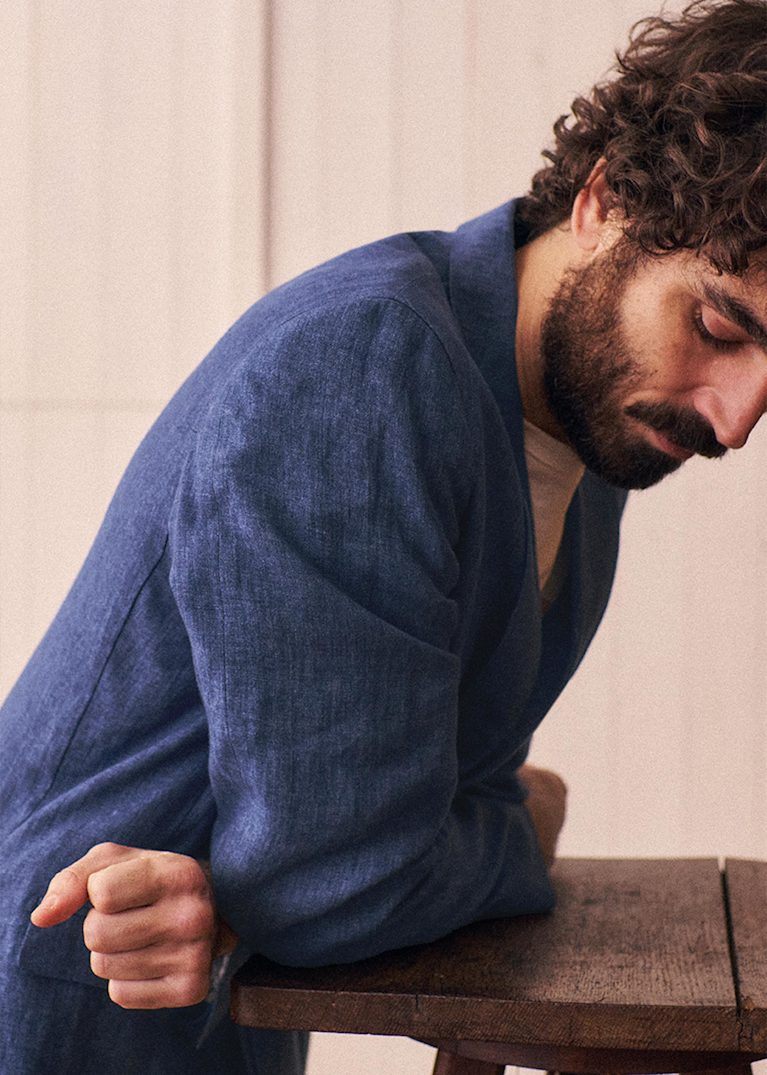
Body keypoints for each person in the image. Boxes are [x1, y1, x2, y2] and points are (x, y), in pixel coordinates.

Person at [2, 0, 765, 1071]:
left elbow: (424, 813)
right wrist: (523, 827)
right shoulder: (364, 368)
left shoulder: (594, 429)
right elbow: (342, 885)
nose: (734, 421)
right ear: (602, 201)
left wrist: (475, 822)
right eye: (718, 326)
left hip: (221, 1025)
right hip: (64, 1014)